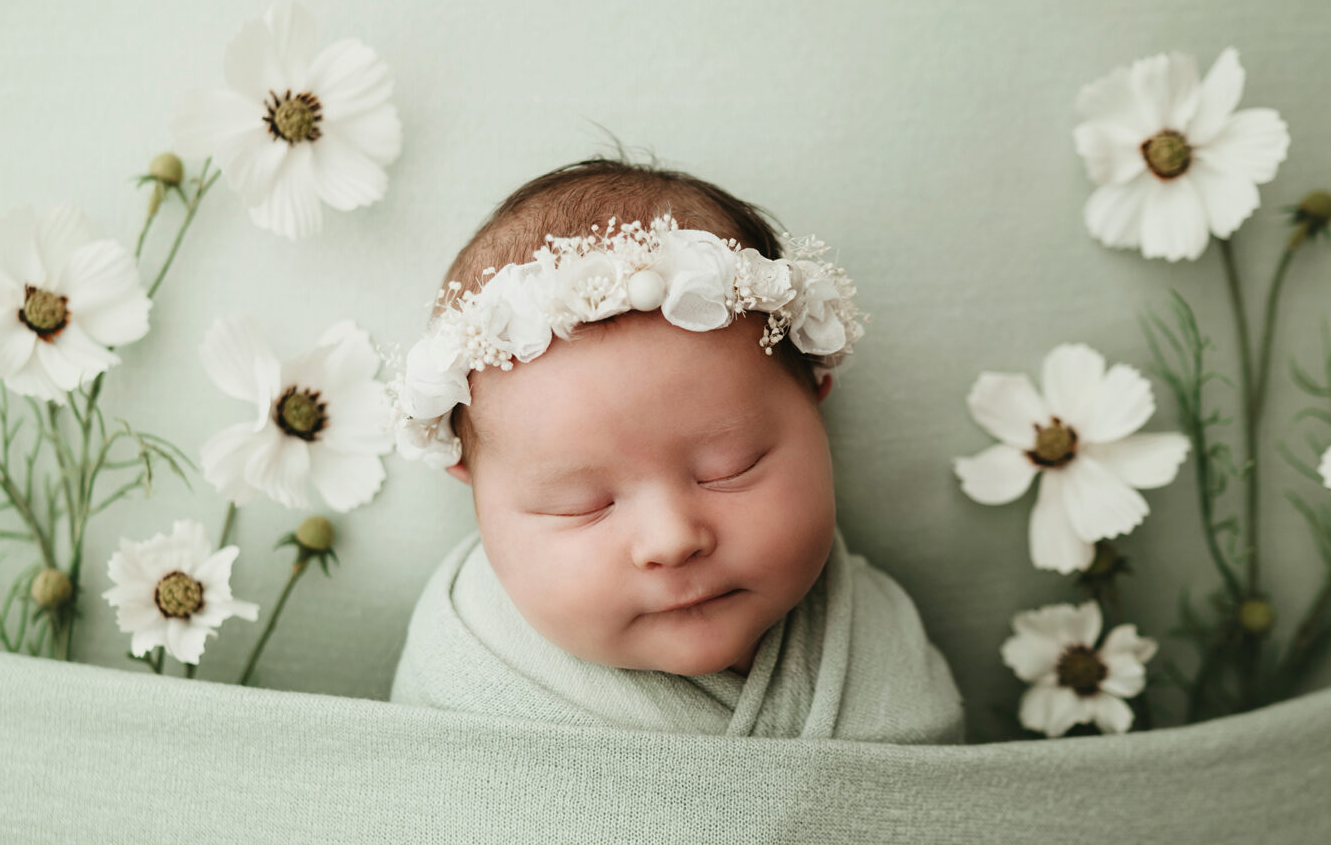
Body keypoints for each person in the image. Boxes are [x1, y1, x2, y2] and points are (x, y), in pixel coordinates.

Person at [387, 153, 965, 743]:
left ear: (818, 403)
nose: (672, 541)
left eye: (729, 468)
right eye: (581, 503)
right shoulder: (463, 674)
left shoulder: (876, 644)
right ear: (471, 484)